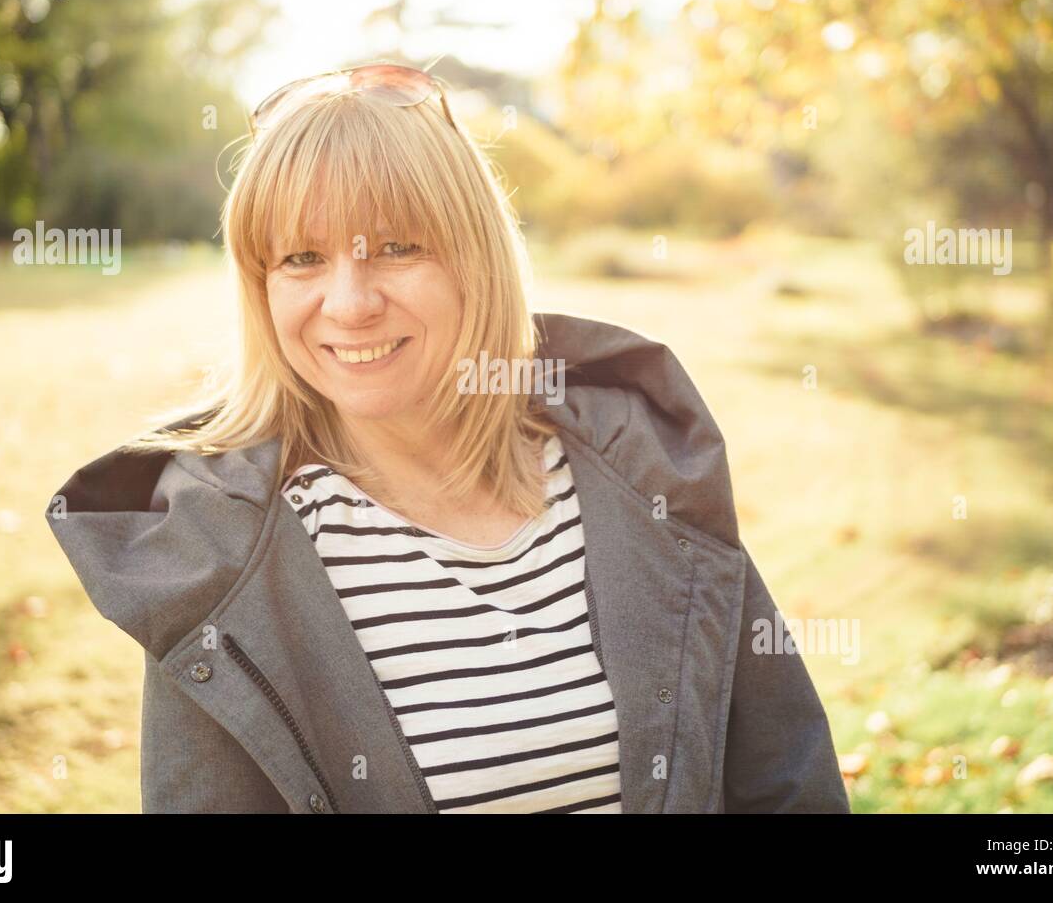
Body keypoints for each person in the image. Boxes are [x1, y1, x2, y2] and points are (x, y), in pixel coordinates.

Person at [45, 62, 849, 813]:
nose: (351, 303)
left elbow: (786, 783)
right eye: (302, 258)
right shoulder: (217, 562)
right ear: (262, 288)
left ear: (477, 258)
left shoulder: (643, 472)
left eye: (397, 247)